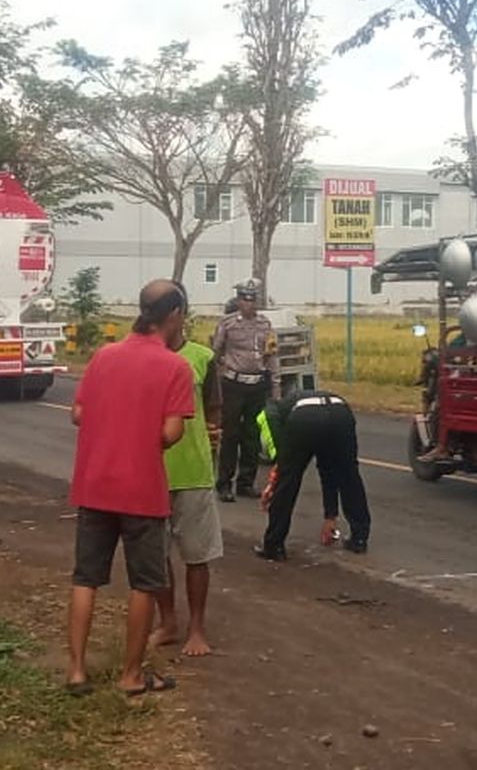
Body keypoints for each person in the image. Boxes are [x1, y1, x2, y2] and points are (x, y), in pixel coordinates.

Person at [66, 279, 195, 697]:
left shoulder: (104, 356)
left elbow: (78, 413)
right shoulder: (176, 367)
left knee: (86, 578)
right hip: (141, 490)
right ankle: (131, 675)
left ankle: (76, 672)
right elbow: (172, 432)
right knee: (143, 582)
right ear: (173, 316)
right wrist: (142, 436)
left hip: (94, 485)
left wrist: (112, 428)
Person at [150, 282, 224, 657]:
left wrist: (214, 435)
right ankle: (167, 622)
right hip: (149, 471)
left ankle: (197, 628)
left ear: (180, 313)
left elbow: (213, 409)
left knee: (197, 555)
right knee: (156, 555)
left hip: (193, 471)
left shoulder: (202, 357)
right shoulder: (141, 357)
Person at [252, 389, 371, 561]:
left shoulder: (268, 414)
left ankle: (274, 545)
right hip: (341, 412)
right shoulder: (295, 400)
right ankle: (359, 538)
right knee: (348, 475)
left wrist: (273, 485)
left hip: (305, 420)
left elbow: (281, 460)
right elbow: (327, 469)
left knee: (288, 481)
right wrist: (330, 517)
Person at [212, 278, 279, 503]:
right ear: (239, 301)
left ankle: (246, 483)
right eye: (245, 299)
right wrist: (223, 371)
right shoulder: (228, 323)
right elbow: (216, 352)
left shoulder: (265, 324)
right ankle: (224, 484)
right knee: (231, 435)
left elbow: (271, 356)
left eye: (253, 299)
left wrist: (275, 388)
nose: (250, 303)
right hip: (234, 384)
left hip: (257, 385)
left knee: (252, 436)